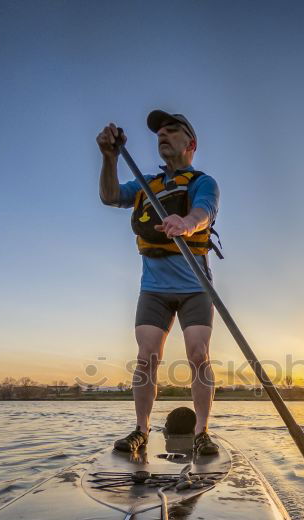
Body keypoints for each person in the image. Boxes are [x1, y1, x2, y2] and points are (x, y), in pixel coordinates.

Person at [97, 110, 220, 455]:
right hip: (153, 289)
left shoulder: (202, 182)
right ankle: (141, 429)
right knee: (147, 356)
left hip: (195, 287)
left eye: (172, 130)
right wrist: (109, 158)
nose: (162, 135)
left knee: (198, 354)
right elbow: (109, 196)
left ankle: (202, 431)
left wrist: (188, 223)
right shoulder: (145, 185)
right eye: (159, 132)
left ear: (190, 143)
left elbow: (204, 212)